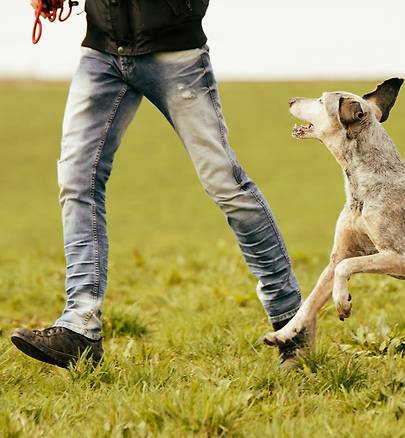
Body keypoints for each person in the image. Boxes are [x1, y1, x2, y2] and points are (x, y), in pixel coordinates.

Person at [11, 0, 312, 369]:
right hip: (102, 50)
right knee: (76, 181)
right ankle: (80, 326)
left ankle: (292, 321)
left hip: (176, 51)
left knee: (225, 185)